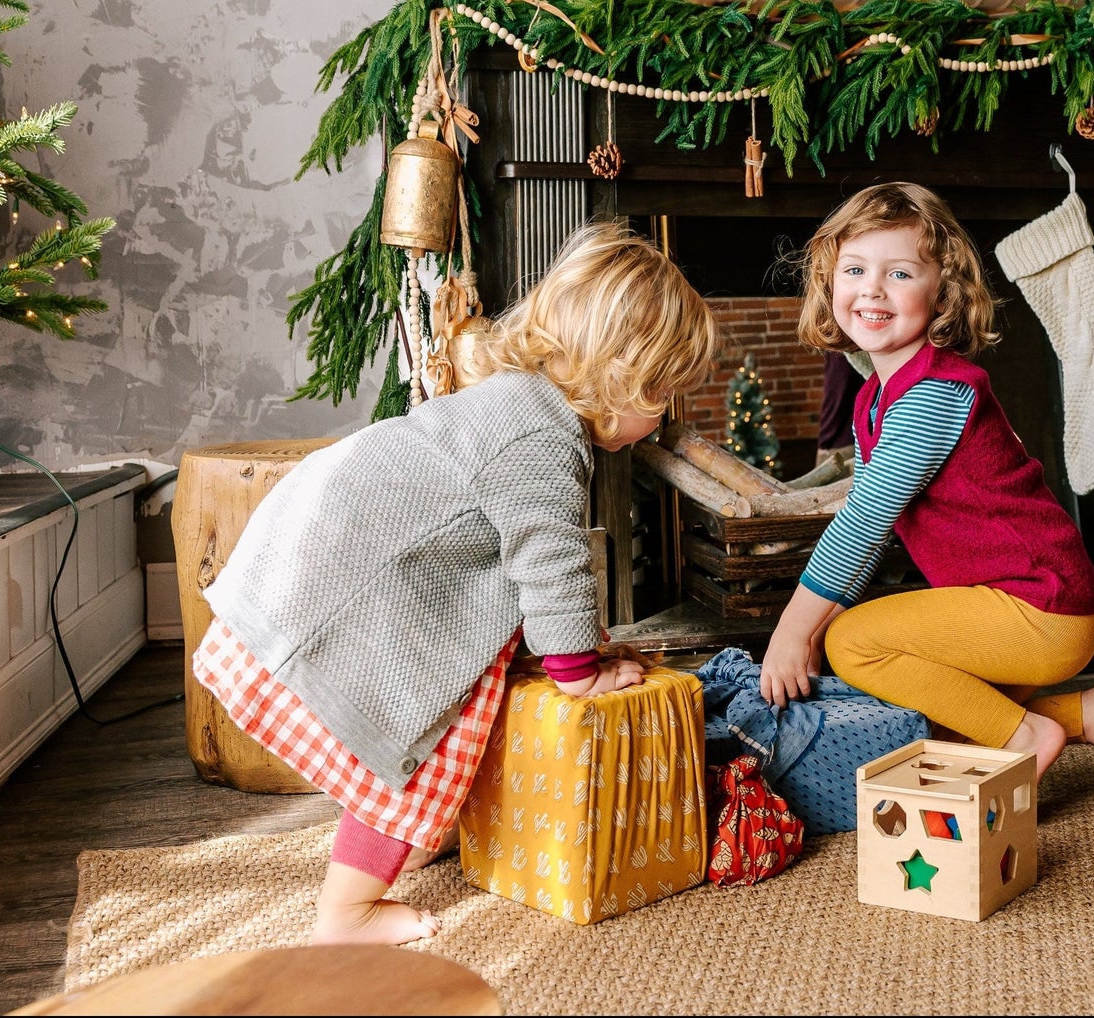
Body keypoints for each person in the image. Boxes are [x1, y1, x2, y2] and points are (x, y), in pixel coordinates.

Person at [191, 222, 718, 946]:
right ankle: (345, 916)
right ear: (622, 376)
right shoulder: (542, 436)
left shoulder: (519, 402)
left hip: (326, 558)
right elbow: (549, 559)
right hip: (350, 590)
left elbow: (528, 560)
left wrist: (577, 643)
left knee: (439, 720)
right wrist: (577, 674)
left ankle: (401, 850)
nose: (662, 419)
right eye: (664, 396)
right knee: (418, 741)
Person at [758, 182, 1094, 801]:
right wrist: (807, 634)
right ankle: (1085, 714)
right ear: (830, 284)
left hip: (1042, 608)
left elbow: (861, 522)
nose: (873, 289)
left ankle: (1026, 736)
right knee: (937, 734)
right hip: (1010, 607)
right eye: (855, 269)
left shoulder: (937, 391)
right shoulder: (871, 400)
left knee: (854, 643)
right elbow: (873, 539)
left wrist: (796, 630)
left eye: (900, 273)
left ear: (943, 291)